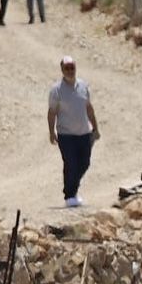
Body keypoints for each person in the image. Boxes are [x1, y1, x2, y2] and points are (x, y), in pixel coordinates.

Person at [48, 56, 99, 208]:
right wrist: (51, 132)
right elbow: (52, 112)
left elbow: (89, 108)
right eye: (67, 68)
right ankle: (69, 195)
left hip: (84, 133)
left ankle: (73, 189)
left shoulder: (83, 86)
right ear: (62, 70)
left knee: (84, 163)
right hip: (66, 135)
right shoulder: (56, 90)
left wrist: (95, 128)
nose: (70, 71)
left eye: (72, 67)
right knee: (70, 163)